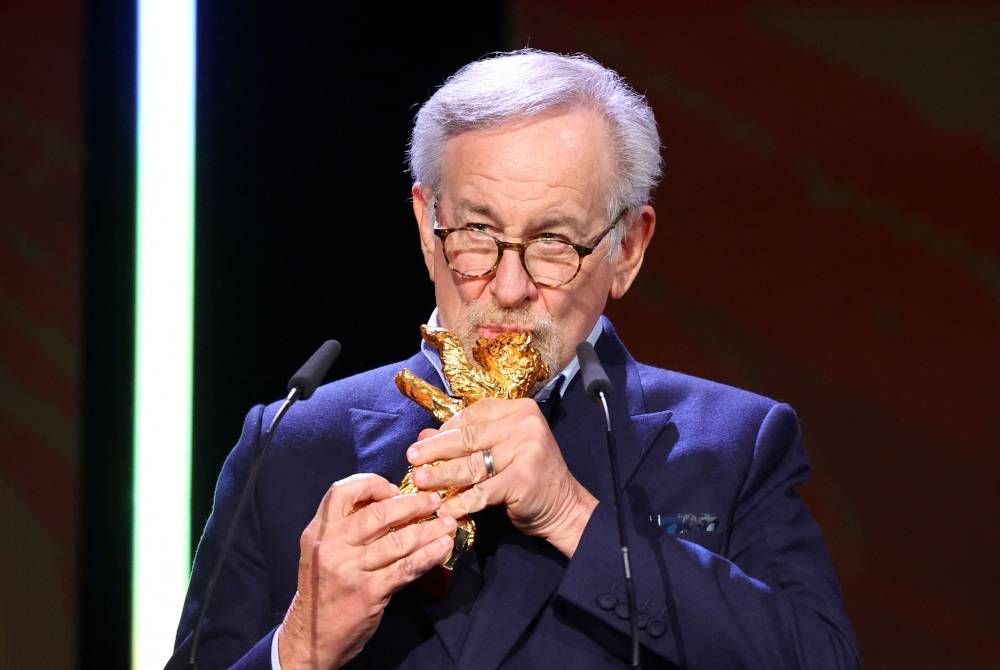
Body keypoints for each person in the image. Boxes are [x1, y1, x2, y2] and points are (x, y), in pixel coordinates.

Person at [167, 49, 860, 669]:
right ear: (425, 226)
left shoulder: (734, 444)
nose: (507, 287)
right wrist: (299, 651)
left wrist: (573, 515)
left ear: (627, 249)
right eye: (476, 232)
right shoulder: (291, 440)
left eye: (554, 241)